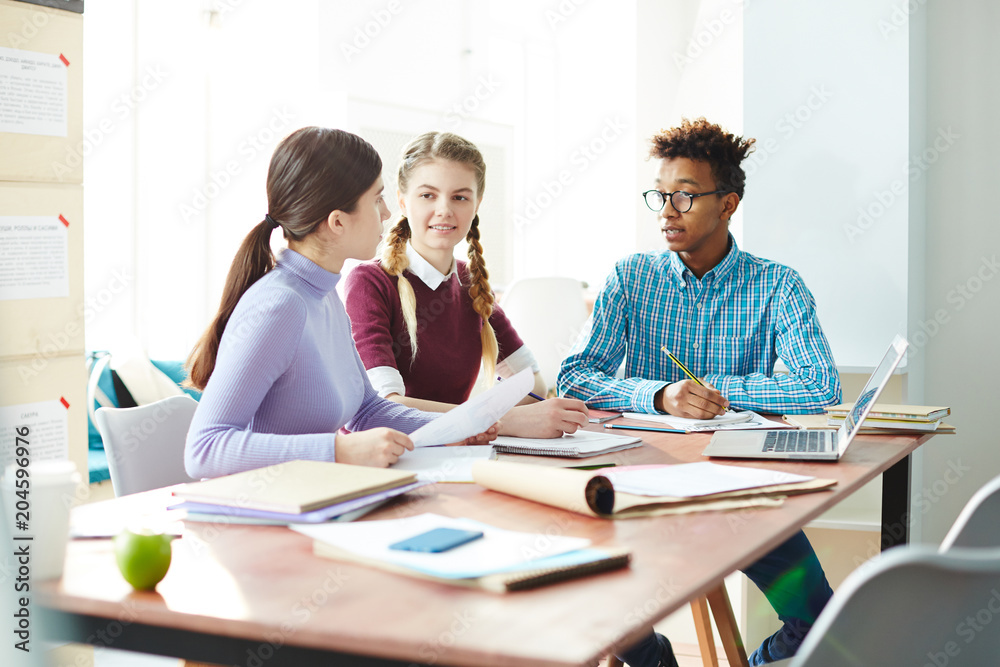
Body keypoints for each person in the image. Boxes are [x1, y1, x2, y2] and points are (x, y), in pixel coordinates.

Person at [557, 118, 840, 666]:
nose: (667, 210)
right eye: (660, 196)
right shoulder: (630, 278)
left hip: (742, 496)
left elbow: (819, 384)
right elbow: (575, 377)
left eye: (685, 196)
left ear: (728, 203)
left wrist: (723, 393)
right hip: (645, 489)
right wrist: (660, 395)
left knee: (817, 621)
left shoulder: (777, 283)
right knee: (610, 614)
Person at [184, 127, 493, 480]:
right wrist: (338, 450)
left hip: (313, 497)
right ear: (338, 222)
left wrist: (459, 427)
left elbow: (367, 410)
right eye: (377, 200)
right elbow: (204, 450)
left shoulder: (324, 294)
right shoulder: (280, 306)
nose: (389, 213)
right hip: (261, 514)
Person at [343, 131, 589, 438]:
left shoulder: (473, 284)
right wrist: (499, 421)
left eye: (459, 197)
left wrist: (481, 421)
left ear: (477, 205)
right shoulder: (369, 282)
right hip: (384, 461)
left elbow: (532, 384)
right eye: (427, 195)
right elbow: (385, 408)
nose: (445, 209)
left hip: (451, 454)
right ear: (403, 202)